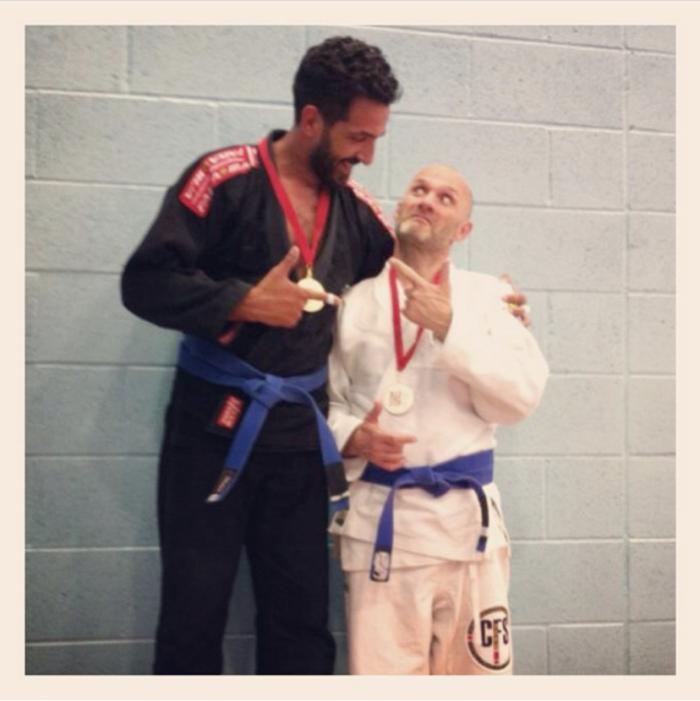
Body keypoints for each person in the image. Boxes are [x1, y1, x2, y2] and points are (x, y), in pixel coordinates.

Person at [120, 36, 401, 675]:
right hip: (210, 430)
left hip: (301, 437)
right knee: (193, 616)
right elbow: (144, 282)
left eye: (375, 138)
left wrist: (488, 303)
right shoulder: (224, 179)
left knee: (301, 623)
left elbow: (408, 282)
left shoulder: (355, 210)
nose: (368, 155)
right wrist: (244, 301)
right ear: (312, 120)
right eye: (358, 137)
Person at [327, 163, 549, 675]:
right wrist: (354, 436)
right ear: (400, 207)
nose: (427, 200)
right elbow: (328, 403)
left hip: (468, 530)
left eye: (446, 198)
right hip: (381, 528)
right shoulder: (354, 303)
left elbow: (520, 398)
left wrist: (452, 328)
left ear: (463, 230)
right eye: (419, 190)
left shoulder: (492, 298)